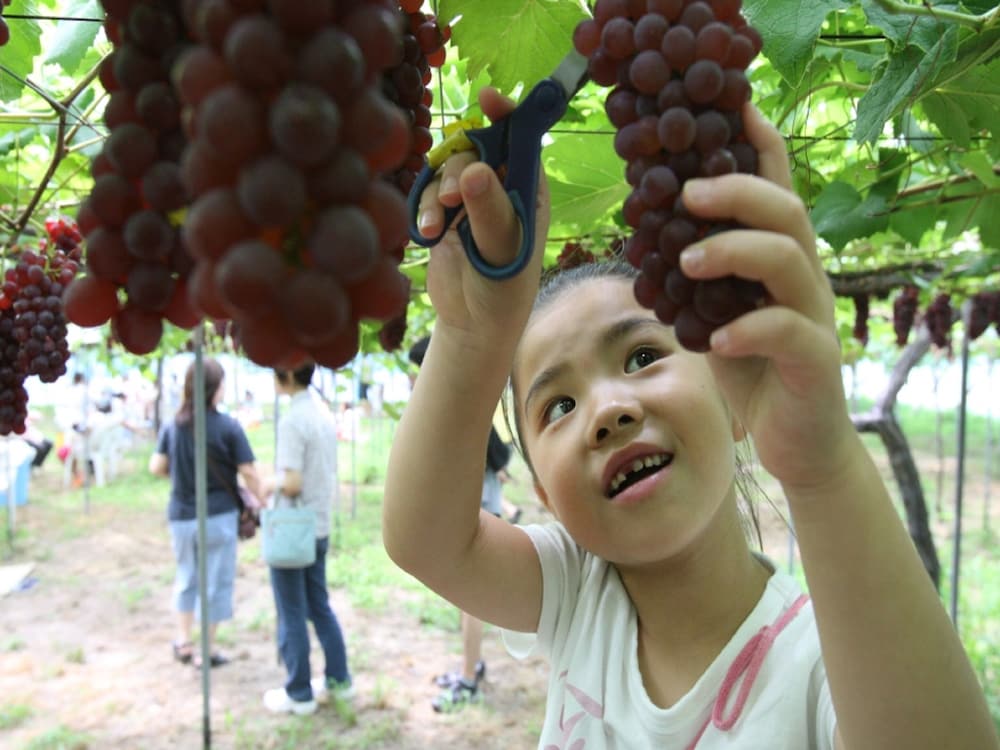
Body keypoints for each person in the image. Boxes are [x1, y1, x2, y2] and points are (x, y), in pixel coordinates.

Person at [382, 87, 1000, 749]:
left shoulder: (826, 667)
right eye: (558, 406)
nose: (608, 411)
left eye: (643, 356)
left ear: (733, 404)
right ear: (543, 495)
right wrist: (472, 333)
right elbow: (426, 541)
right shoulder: (575, 592)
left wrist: (822, 467)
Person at [408, 336, 510, 711]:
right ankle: (471, 666)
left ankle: (469, 679)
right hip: (470, 507)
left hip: (477, 509)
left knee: (472, 598)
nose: (415, 378)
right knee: (465, 597)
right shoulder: (458, 397)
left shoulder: (458, 401)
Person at [149, 358, 263, 669]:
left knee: (186, 577)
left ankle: (184, 641)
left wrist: (182, 473)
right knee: (215, 582)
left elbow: (156, 466)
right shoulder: (228, 427)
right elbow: (248, 471)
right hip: (218, 516)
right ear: (216, 388)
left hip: (182, 516)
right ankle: (207, 649)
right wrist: (262, 499)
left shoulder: (173, 426)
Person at [262, 362, 353, 716]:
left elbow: (292, 482)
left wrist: (268, 483)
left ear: (286, 375)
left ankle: (299, 692)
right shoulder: (322, 412)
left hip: (292, 529)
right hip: (318, 524)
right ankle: (339, 679)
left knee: (292, 612)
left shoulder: (293, 420)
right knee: (319, 605)